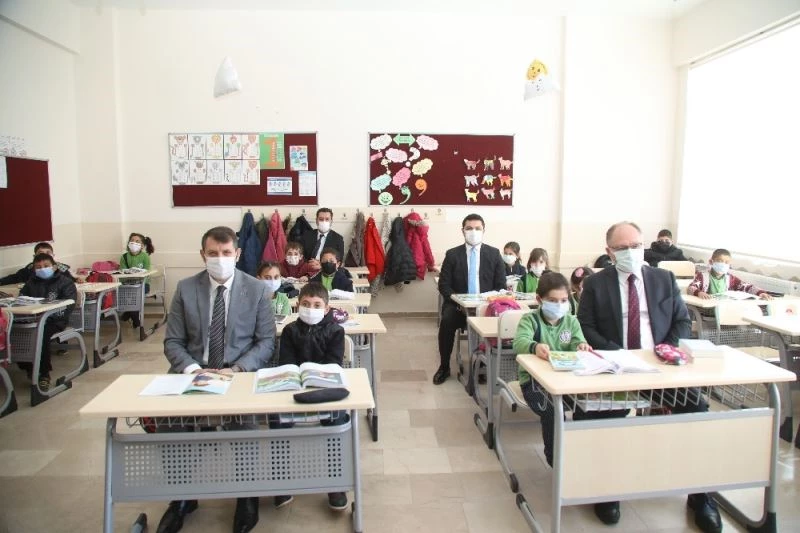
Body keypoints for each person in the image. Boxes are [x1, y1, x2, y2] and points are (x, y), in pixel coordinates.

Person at [577, 221, 720, 532]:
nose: (631, 252)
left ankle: (701, 495)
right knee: (597, 419)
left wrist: (664, 349)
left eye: (635, 246)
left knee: (697, 411)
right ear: (609, 252)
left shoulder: (663, 279)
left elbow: (682, 321)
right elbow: (585, 325)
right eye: (622, 248)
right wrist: (617, 353)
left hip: (659, 368)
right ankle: (607, 489)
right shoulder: (596, 284)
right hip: (616, 368)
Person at [157, 226, 276, 533]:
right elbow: (173, 341)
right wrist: (192, 369)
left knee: (244, 426)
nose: (219, 259)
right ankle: (182, 497)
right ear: (202, 255)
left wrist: (238, 369)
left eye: (226, 253)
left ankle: (246, 496)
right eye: (212, 253)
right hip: (195, 371)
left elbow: (266, 342)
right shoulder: (185, 288)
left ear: (237, 254)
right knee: (170, 424)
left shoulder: (257, 289)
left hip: (236, 372)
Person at [273, 282, 348, 511]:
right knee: (277, 420)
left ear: (327, 309)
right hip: (295, 389)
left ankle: (336, 482)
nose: (310, 308)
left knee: (337, 420)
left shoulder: (336, 331)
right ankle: (281, 480)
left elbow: (333, 364)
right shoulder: (290, 330)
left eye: (316, 305)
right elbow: (286, 363)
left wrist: (314, 376)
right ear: (298, 305)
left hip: (324, 390)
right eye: (306, 304)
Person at [513, 272, 591, 467]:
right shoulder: (530, 320)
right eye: (553, 301)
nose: (559, 305)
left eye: (563, 300)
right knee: (552, 411)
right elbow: (519, 342)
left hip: (566, 380)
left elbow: (578, 341)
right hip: (534, 382)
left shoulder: (571, 321)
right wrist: (534, 347)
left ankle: (582, 454)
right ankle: (555, 459)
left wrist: (581, 346)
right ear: (540, 300)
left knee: (588, 407)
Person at [435, 214, 506, 385]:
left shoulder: (494, 254)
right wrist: (459, 302)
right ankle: (444, 366)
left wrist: (487, 303)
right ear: (463, 231)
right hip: (458, 308)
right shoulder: (452, 254)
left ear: (483, 230)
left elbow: (501, 286)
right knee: (446, 321)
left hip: (486, 308)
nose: (473, 232)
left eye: (477, 228)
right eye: (469, 228)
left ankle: (483, 365)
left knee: (501, 322)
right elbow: (444, 285)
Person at [19, 253, 77, 391]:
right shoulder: (31, 282)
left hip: (55, 321)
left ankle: (44, 373)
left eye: (46, 266)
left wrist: (46, 317)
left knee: (41, 333)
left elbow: (68, 306)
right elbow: (22, 299)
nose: (42, 269)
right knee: (17, 333)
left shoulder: (65, 282)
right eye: (38, 267)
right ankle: (29, 367)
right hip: (33, 319)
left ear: (54, 267)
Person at [688, 248, 772, 300]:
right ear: (711, 262)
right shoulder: (703, 276)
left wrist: (760, 293)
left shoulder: (730, 278)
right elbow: (691, 287)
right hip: (707, 308)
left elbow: (746, 286)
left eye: (726, 262)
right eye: (720, 261)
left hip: (723, 307)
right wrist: (699, 293)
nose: (723, 264)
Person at [119, 232, 155, 328]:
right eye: (132, 240)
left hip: (143, 284)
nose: (134, 243)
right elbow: (122, 273)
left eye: (137, 241)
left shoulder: (145, 256)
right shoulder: (124, 257)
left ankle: (130, 315)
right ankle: (133, 316)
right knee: (125, 293)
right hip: (128, 284)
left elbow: (147, 273)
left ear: (142, 245)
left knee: (135, 294)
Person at [0, 242, 72, 285]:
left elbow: (69, 280)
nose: (45, 255)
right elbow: (16, 277)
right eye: (41, 253)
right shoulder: (30, 267)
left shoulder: (60, 268)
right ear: (35, 256)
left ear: (53, 255)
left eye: (48, 253)